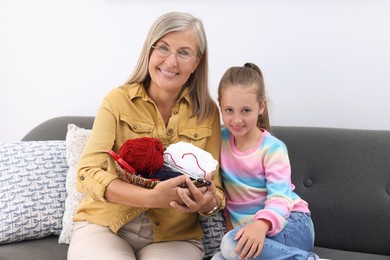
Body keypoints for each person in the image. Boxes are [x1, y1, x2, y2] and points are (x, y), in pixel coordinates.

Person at [68, 12, 225, 260]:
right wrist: (151, 197)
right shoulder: (117, 101)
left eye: (184, 52)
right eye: (163, 48)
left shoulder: (208, 113)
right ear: (149, 51)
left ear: (196, 62)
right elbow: (86, 173)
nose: (171, 62)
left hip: (175, 237)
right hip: (105, 226)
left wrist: (205, 203)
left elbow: (215, 190)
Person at [211, 63, 320, 260]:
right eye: (229, 110)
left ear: (261, 106)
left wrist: (261, 225)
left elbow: (280, 198)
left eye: (245, 110)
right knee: (219, 257)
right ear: (220, 106)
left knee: (229, 243)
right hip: (249, 231)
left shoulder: (273, 148)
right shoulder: (219, 141)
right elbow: (225, 200)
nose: (236, 119)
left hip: (291, 224)